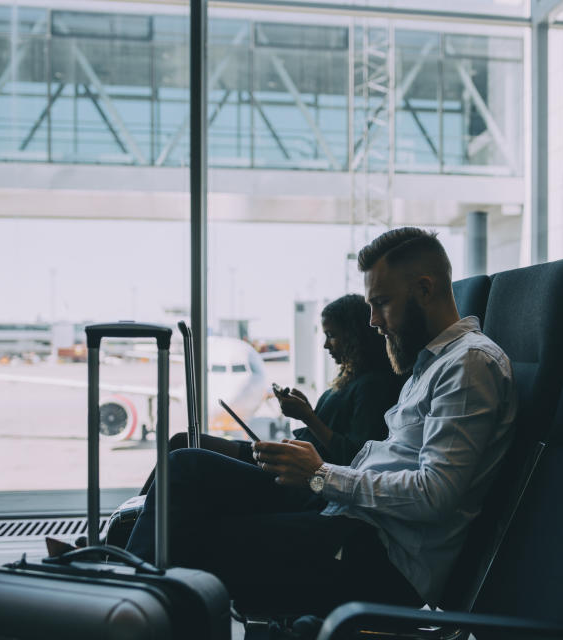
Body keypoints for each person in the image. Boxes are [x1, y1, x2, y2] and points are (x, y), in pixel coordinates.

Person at [124, 227, 517, 615]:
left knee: (197, 537)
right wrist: (316, 466)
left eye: (381, 303)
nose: (374, 321)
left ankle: (120, 603)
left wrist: (320, 474)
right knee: (187, 465)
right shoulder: (431, 363)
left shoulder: (469, 365)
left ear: (425, 290)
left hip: (381, 558)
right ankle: (122, 589)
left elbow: (435, 496)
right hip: (348, 518)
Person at [136, 294, 401, 497]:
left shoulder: (372, 385)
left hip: (300, 476)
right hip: (287, 461)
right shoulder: (350, 379)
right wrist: (307, 411)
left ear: (355, 337)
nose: (325, 345)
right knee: (181, 442)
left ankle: (126, 528)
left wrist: (309, 418)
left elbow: (353, 457)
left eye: (332, 336)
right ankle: (129, 519)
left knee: (183, 448)